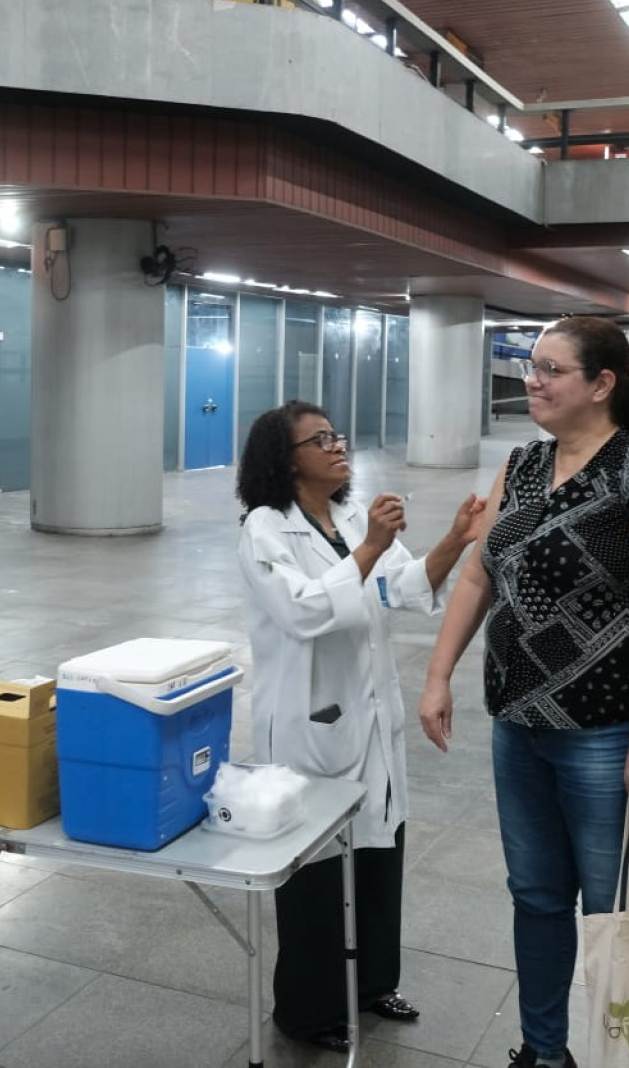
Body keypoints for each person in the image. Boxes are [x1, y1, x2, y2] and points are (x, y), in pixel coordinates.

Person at [416, 317, 629, 1068]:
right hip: (519, 722)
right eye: (529, 366)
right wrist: (439, 673)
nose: (531, 381)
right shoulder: (521, 466)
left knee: (616, 909)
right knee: (537, 896)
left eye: (550, 370)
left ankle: (625, 1055)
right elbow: (479, 572)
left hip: (606, 732)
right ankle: (544, 1053)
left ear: (601, 385)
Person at [235, 401, 484, 1053]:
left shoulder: (348, 514)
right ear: (287, 460)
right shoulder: (265, 529)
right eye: (320, 440)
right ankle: (305, 1008)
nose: (336, 447)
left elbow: (401, 586)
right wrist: (370, 548)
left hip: (370, 714)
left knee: (379, 849)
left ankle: (374, 983)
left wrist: (456, 538)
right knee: (314, 869)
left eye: (337, 435)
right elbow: (304, 613)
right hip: (306, 722)